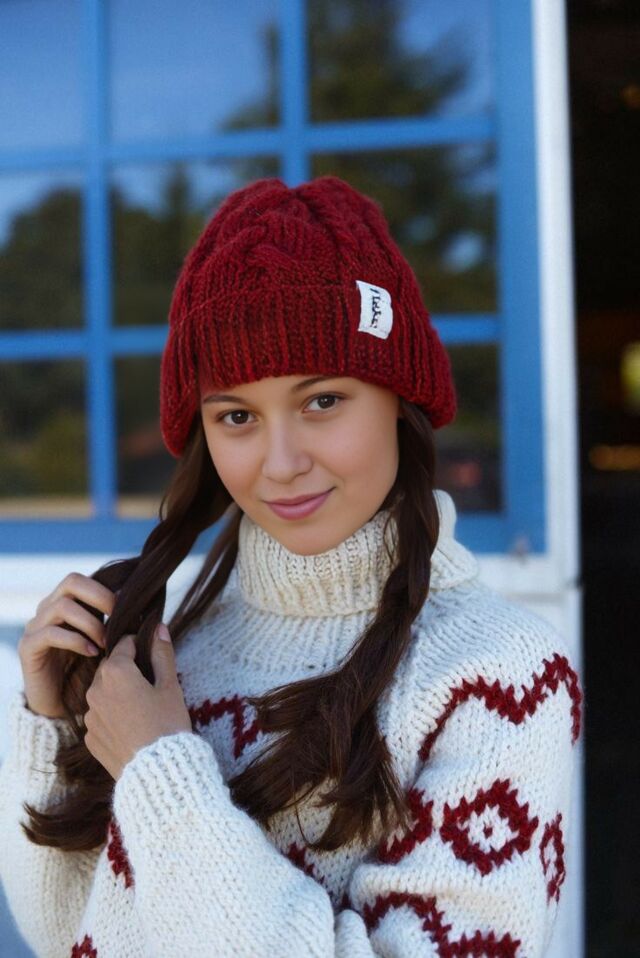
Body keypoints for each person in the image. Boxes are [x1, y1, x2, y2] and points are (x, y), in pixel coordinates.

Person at [0, 175, 583, 957]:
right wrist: (52, 725)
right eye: (237, 416)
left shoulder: (501, 677)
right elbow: (70, 933)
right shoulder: (172, 653)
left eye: (322, 402)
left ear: (399, 397)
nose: (281, 463)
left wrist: (161, 773)